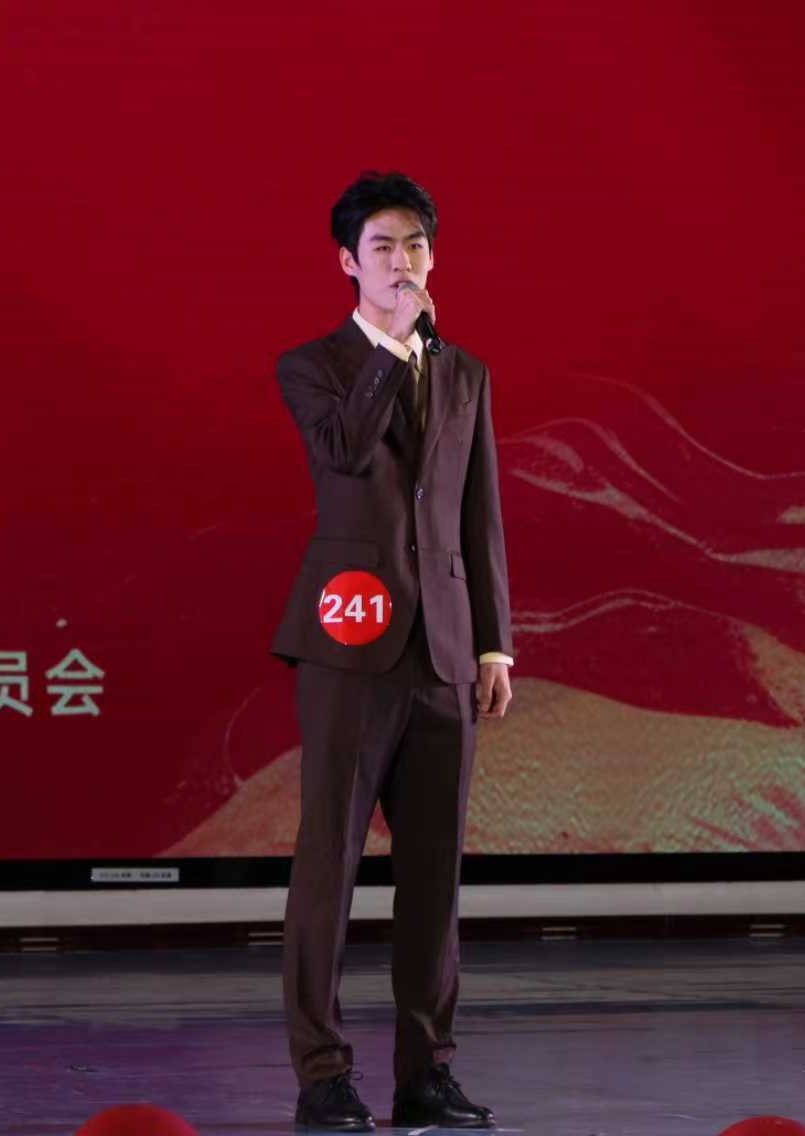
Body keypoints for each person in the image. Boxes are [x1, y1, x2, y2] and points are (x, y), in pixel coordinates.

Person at [271, 171, 515, 1131]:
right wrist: (395, 346)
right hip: (348, 641)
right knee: (328, 862)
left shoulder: (465, 374)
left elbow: (478, 513)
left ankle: (428, 1070)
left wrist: (494, 644)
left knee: (434, 874)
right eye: (383, 248)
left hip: (445, 649)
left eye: (415, 246)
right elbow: (342, 450)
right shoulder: (315, 365)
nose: (403, 262)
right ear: (348, 262)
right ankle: (322, 1073)